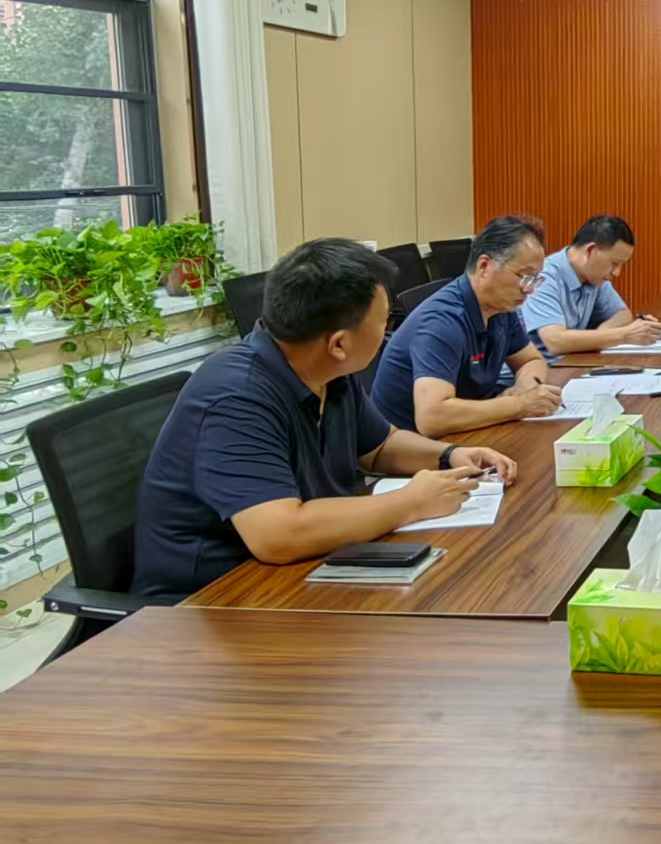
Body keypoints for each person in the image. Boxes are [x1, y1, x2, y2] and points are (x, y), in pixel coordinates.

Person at [131, 239, 517, 599]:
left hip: (303, 573)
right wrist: (411, 501)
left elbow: (379, 447)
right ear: (339, 344)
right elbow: (279, 535)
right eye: (384, 322)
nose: (388, 333)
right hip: (211, 603)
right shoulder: (235, 396)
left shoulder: (329, 372)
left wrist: (449, 455)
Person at [369, 215, 561, 436]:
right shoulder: (442, 321)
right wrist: (519, 405)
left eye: (535, 279)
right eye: (524, 276)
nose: (529, 289)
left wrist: (524, 389)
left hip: (465, 432)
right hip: (411, 447)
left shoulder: (501, 308)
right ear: (484, 266)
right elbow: (432, 418)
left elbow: (531, 360)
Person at [522, 214, 661, 358]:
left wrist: (598, 337)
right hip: (540, 367)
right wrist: (624, 335)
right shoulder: (544, 278)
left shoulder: (594, 277)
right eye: (614, 263)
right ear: (591, 250)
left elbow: (622, 314)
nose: (616, 273)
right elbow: (555, 341)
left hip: (573, 362)